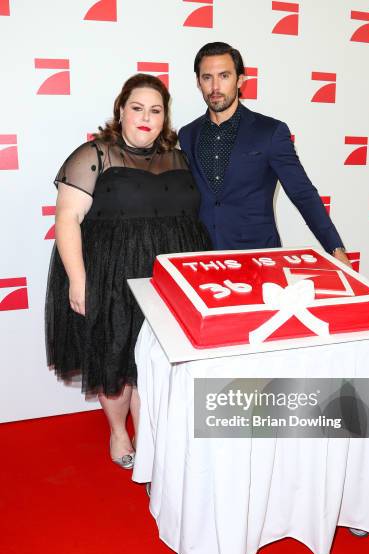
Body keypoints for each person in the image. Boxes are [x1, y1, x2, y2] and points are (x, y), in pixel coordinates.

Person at [45, 74, 212, 469]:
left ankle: (152, 436)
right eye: (137, 108)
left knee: (156, 362)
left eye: (155, 111)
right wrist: (79, 280)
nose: (145, 117)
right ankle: (119, 431)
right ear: (121, 110)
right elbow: (67, 219)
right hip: (113, 277)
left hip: (170, 281)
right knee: (116, 359)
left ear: (164, 118)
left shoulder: (181, 156)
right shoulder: (94, 154)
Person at [179, 42, 350, 266]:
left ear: (240, 80)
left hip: (259, 258)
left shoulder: (270, 132)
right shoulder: (187, 134)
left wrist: (336, 250)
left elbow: (303, 194)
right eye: (207, 77)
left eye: (224, 76)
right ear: (198, 82)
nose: (215, 87)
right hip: (202, 258)